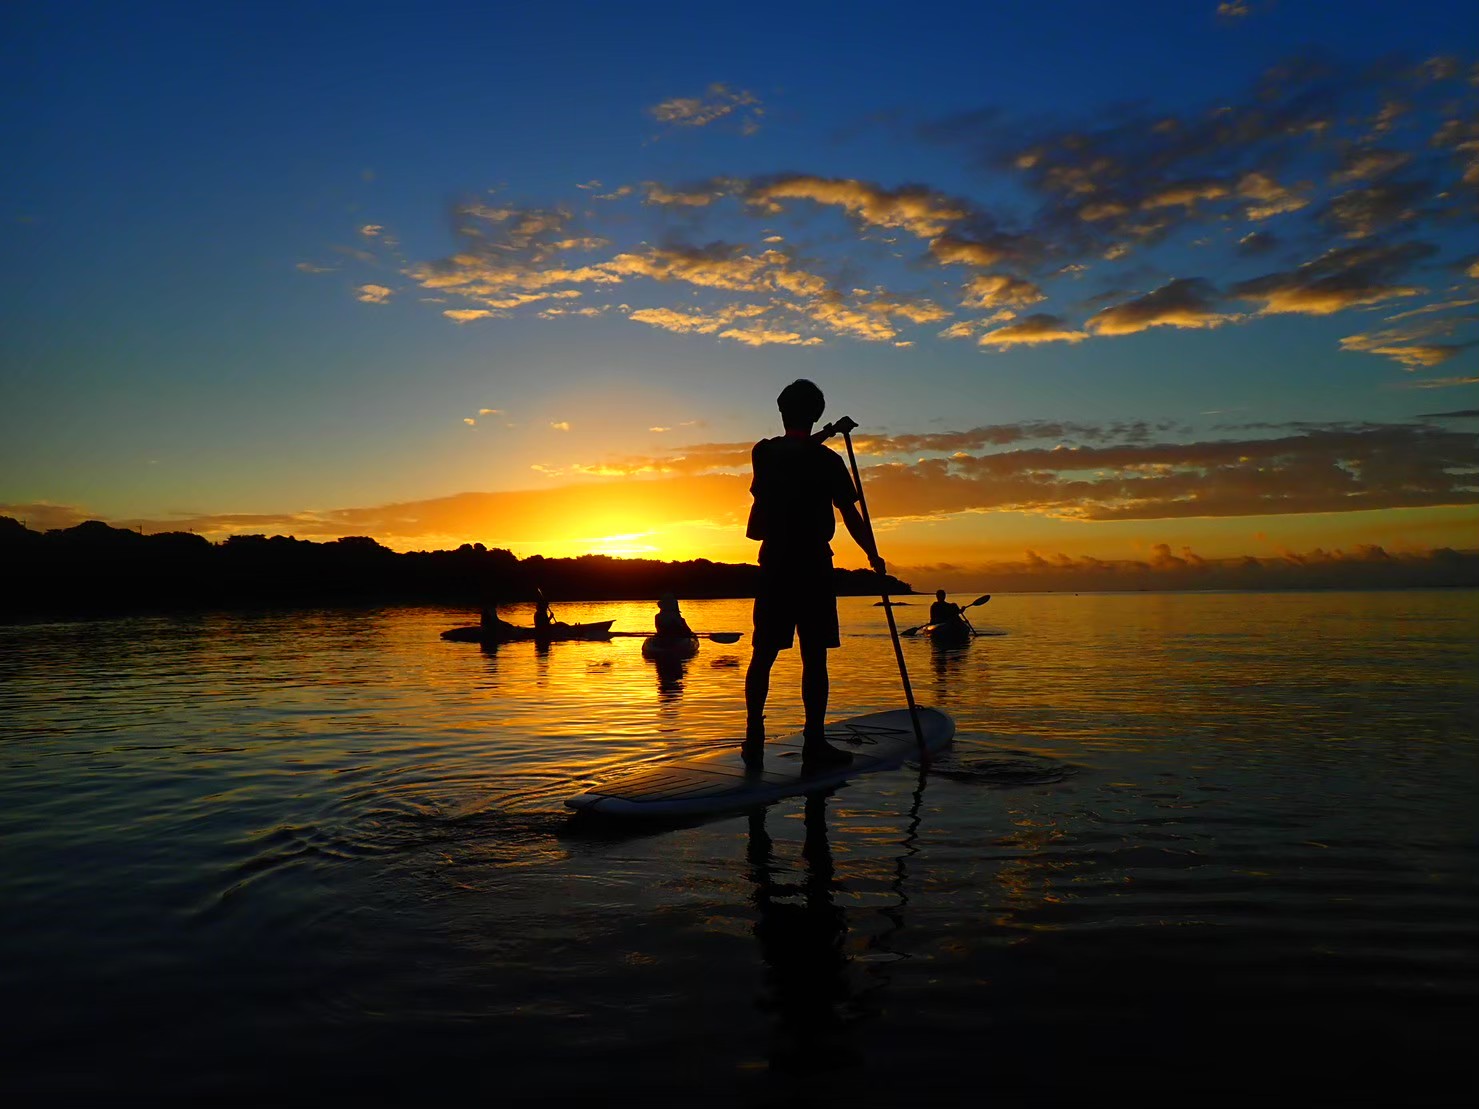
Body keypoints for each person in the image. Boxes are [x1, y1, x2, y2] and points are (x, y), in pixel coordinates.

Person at [744, 379, 885, 769]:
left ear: (781, 411)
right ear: (816, 414)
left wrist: (828, 433)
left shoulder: (765, 453)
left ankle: (754, 737)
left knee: (764, 654)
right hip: (810, 566)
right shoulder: (826, 461)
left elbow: (796, 453)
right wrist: (872, 554)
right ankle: (813, 742)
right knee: (813, 657)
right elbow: (850, 515)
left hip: (775, 564)